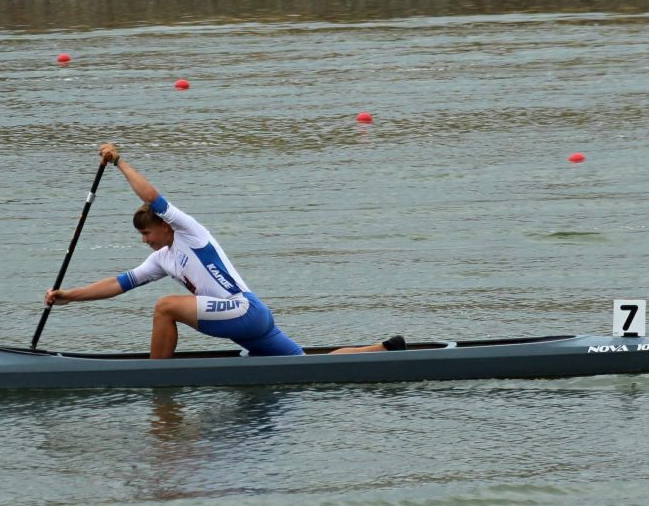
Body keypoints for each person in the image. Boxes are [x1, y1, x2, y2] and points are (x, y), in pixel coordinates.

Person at [45, 144, 406, 359]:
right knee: (301, 363)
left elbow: (151, 197)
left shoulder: (189, 231)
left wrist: (119, 161)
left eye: (148, 233)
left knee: (164, 306)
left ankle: (155, 378)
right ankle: (384, 351)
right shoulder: (162, 258)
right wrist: (68, 296)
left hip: (244, 311)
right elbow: (118, 283)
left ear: (166, 226)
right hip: (248, 322)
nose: (146, 241)